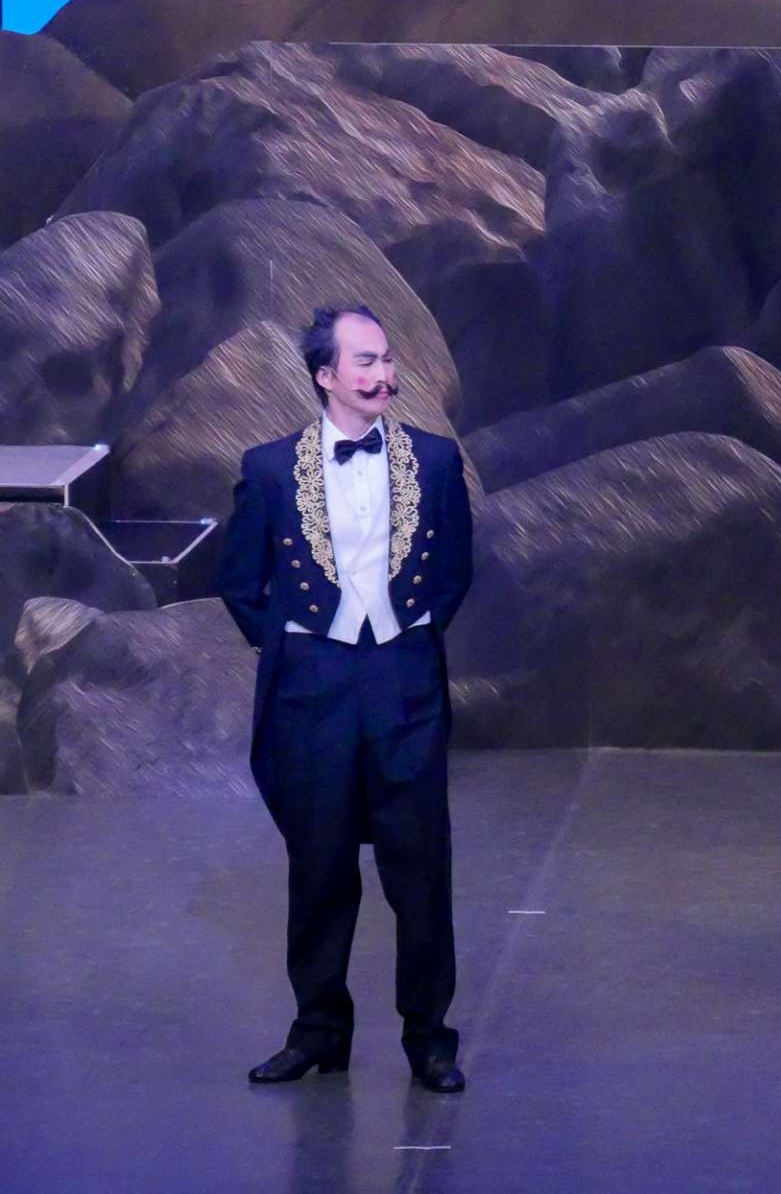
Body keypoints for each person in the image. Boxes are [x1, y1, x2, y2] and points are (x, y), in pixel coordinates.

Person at [217, 304, 473, 1093]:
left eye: (387, 359)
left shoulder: (435, 460)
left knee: (419, 867)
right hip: (315, 688)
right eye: (366, 360)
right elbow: (239, 582)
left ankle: (429, 1038)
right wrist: (304, 645)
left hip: (403, 681)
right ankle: (319, 1030)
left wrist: (404, 637)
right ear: (326, 375)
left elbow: (455, 572)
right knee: (320, 865)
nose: (383, 373)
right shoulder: (269, 468)